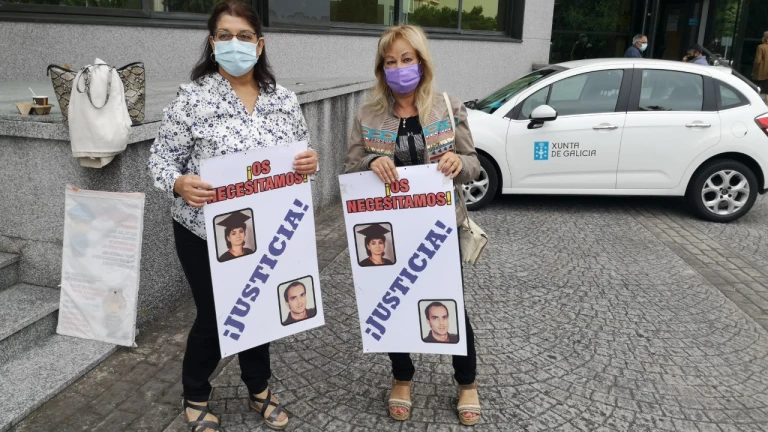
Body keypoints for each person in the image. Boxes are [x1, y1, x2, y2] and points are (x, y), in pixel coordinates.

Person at [147, 2, 318, 431]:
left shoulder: (283, 100)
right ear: (212, 43)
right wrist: (179, 182)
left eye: (244, 36)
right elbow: (160, 160)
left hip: (267, 230)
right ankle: (195, 393)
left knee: (260, 307)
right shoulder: (192, 100)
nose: (234, 43)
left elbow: (302, 155)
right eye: (225, 35)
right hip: (203, 232)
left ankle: (259, 388)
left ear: (259, 45)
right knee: (214, 316)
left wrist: (309, 163)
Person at [343, 25, 482, 426]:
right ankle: (402, 376)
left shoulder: (447, 107)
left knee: (450, 305)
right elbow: (349, 169)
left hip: (440, 229)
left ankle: (467, 382)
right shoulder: (367, 115)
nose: (399, 68)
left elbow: (473, 165)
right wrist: (371, 162)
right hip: (388, 232)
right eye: (390, 62)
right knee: (393, 304)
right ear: (381, 69)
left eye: (407, 59)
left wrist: (458, 163)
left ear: (421, 62)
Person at [753, 31, 768, 104]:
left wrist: (754, 70)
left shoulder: (761, 47)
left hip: (762, 73)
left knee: (757, 91)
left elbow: (757, 61)